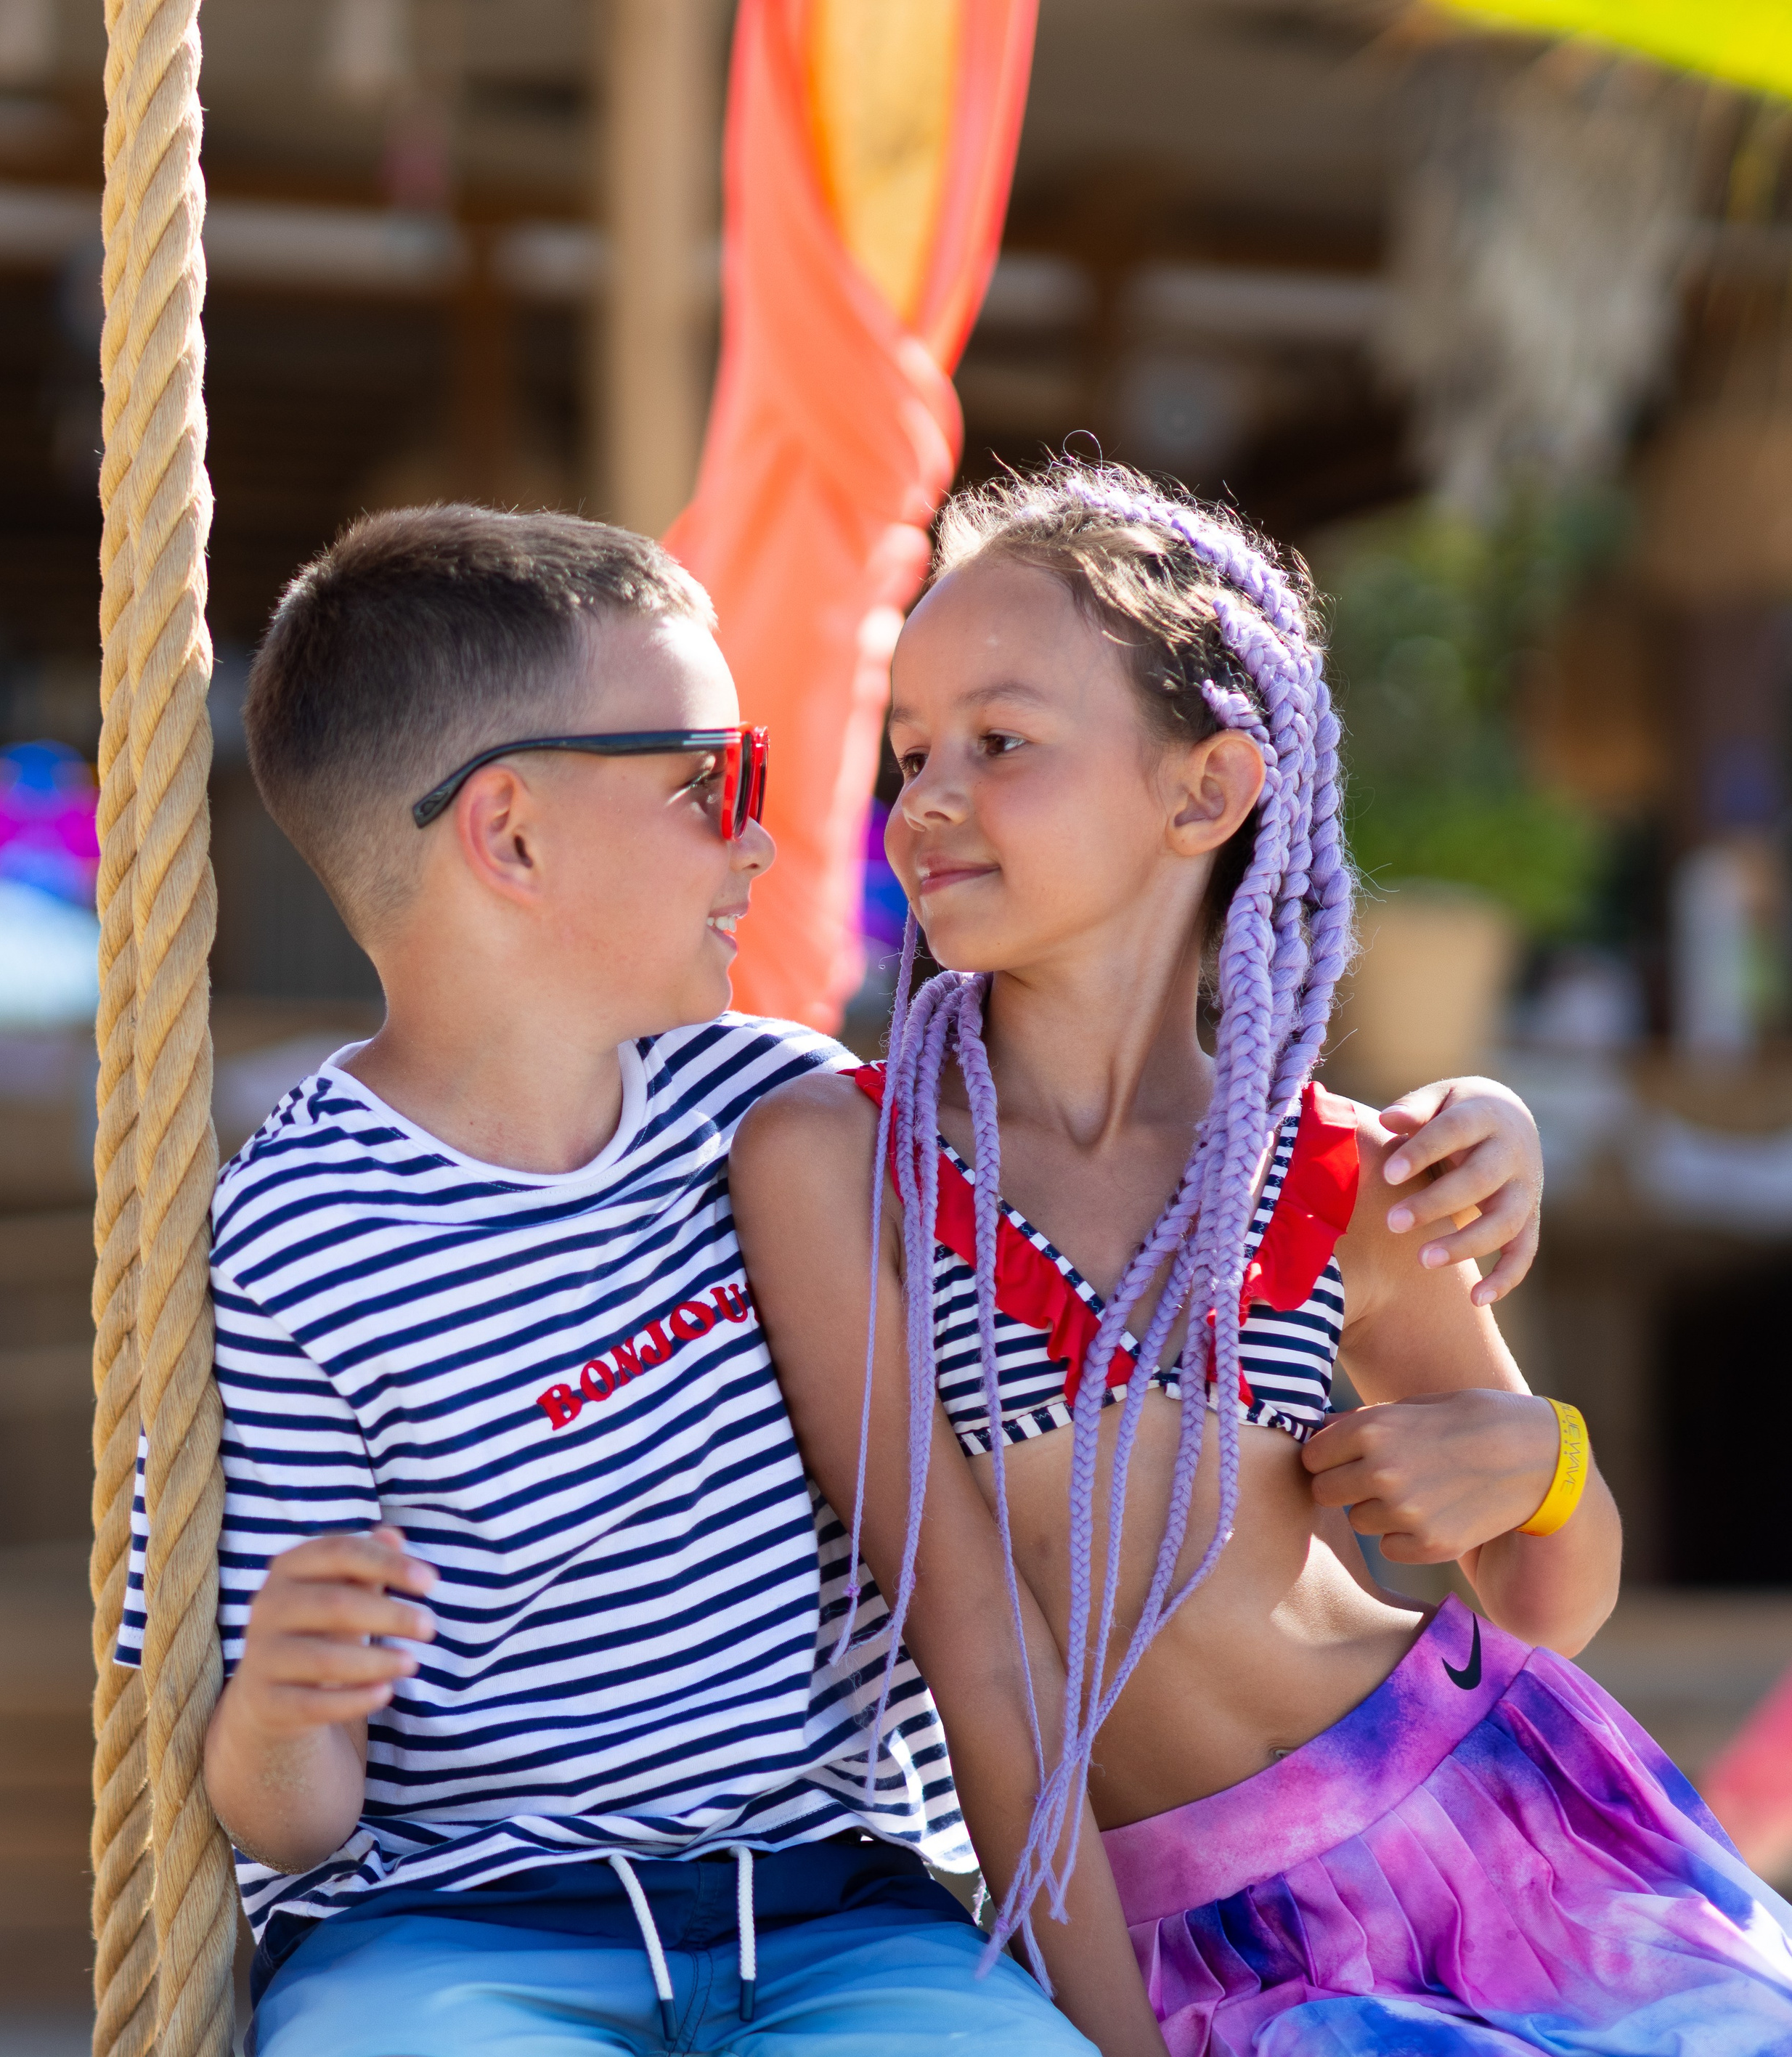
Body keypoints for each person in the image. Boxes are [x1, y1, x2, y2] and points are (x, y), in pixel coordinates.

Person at [113, 503, 1548, 2057]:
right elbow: (288, 1815)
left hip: (839, 1913)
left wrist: (1483, 1128)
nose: (764, 838)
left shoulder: (790, 1117)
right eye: (709, 783)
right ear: (510, 833)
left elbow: (1130, 1100)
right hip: (453, 1936)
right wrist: (277, 1708)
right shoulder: (283, 1240)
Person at [730, 460, 1792, 2057]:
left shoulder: (1342, 1176)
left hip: (1508, 1829)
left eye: (999, 743)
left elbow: (1540, 1604)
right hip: (1173, 1941)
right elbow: (984, 1661)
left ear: (1205, 791)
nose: (926, 798)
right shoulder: (845, 1163)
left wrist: (1540, 1462)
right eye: (908, 751)